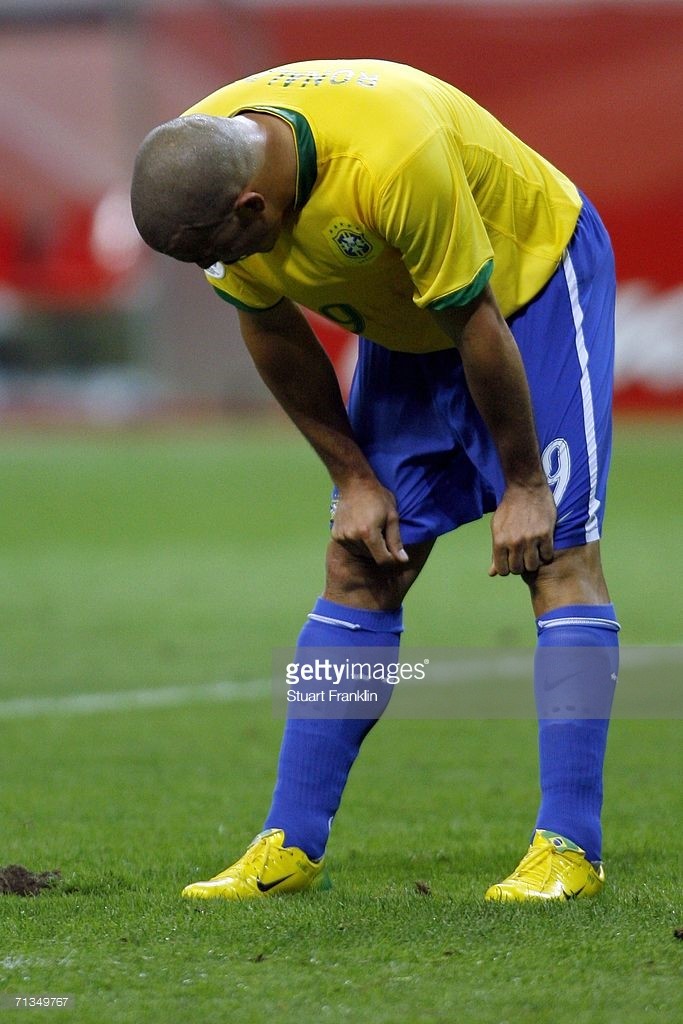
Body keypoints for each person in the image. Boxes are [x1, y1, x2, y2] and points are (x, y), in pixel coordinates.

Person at [130, 58, 620, 902]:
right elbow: (271, 328)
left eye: (214, 251)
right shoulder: (205, 159)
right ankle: (290, 842)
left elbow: (474, 317)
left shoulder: (393, 158)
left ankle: (570, 848)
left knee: (557, 556)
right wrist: (352, 477)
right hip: (407, 310)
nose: (212, 267)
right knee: (361, 560)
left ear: (252, 208)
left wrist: (523, 484)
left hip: (522, 288)